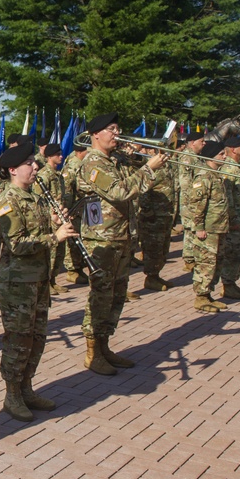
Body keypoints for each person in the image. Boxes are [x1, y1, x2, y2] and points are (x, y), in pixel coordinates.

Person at [76, 112, 167, 375]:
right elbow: (119, 191)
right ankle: (93, 353)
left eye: (118, 128)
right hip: (102, 239)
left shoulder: (114, 160)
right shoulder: (93, 163)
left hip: (122, 235)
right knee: (101, 296)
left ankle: (104, 346)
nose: (117, 133)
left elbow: (139, 185)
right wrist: (149, 168)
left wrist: (138, 158)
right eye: (111, 129)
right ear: (95, 134)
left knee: (117, 295)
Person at [0, 142, 77, 420]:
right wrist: (55, 238)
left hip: (38, 279)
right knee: (18, 340)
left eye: (34, 162)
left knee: (37, 337)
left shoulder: (35, 196)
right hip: (18, 284)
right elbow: (16, 244)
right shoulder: (8, 200)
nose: (35, 167)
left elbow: (37, 229)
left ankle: (26, 387)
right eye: (29, 163)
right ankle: (12, 394)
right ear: (12, 169)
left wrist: (55, 221)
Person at [188, 141, 231, 313]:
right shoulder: (204, 176)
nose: (225, 156)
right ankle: (200, 297)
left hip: (218, 227)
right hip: (208, 229)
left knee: (216, 262)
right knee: (206, 263)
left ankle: (208, 294)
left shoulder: (216, 175)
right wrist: (199, 227)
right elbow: (197, 204)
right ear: (211, 156)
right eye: (221, 154)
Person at [137, 141, 177, 292]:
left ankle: (156, 275)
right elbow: (144, 192)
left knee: (163, 248)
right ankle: (151, 277)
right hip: (153, 217)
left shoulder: (167, 166)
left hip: (165, 214)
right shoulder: (150, 167)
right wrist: (148, 214)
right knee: (153, 248)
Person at [31, 143, 68, 294]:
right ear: (50, 157)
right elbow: (38, 198)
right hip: (50, 218)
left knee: (60, 253)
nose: (61, 156)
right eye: (58, 154)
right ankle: (46, 283)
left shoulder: (58, 175)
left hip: (60, 217)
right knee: (51, 252)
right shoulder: (43, 176)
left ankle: (53, 280)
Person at [220, 137, 240, 299]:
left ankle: (232, 282)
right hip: (236, 219)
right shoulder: (229, 169)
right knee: (232, 252)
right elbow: (227, 196)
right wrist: (232, 219)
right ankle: (227, 284)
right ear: (233, 149)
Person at [177, 131, 206, 272]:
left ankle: (192, 258)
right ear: (193, 142)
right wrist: (192, 201)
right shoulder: (187, 158)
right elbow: (186, 182)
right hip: (190, 200)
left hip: (194, 199)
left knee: (192, 229)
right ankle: (189, 260)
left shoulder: (195, 157)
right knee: (189, 229)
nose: (204, 143)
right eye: (202, 141)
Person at [61, 143, 89, 284]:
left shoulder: (84, 164)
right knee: (73, 240)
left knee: (82, 238)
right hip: (75, 210)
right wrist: (68, 210)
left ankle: (79, 268)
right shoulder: (72, 166)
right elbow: (66, 190)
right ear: (80, 151)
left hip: (84, 208)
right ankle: (72, 270)